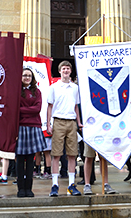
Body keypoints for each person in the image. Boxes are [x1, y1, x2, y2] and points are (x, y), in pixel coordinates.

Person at [46, 61, 82, 197]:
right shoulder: (54, 87)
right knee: (56, 154)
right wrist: (48, 124)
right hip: (59, 121)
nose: (66, 71)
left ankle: (71, 184)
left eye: (68, 69)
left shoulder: (75, 88)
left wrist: (78, 122)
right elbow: (49, 106)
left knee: (72, 154)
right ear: (60, 71)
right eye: (63, 69)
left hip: (71, 122)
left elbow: (76, 106)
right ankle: (55, 184)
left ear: (70, 71)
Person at [16, 69, 48, 197]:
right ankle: (20, 188)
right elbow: (14, 109)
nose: (27, 77)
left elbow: (37, 109)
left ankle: (29, 188)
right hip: (20, 127)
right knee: (19, 160)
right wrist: (27, 110)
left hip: (34, 126)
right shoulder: (16, 91)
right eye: (24, 75)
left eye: (29, 75)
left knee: (30, 160)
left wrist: (22, 109)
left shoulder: (37, 92)